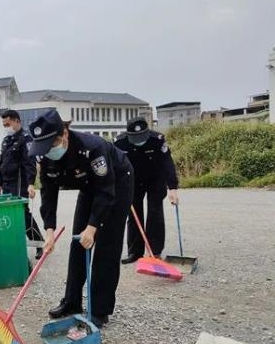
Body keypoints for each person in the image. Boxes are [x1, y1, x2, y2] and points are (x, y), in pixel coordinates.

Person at [28, 109, 133, 328]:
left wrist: (93, 227)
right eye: (43, 148)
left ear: (64, 133)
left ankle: (100, 309)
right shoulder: (45, 157)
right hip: (89, 188)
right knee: (79, 242)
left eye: (51, 145)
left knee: (106, 245)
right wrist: (49, 232)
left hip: (117, 183)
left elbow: (106, 191)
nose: (47, 152)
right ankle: (72, 301)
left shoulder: (93, 148)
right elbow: (48, 194)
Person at [114, 117, 179, 264]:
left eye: (141, 137)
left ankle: (154, 251)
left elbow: (167, 163)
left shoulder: (158, 139)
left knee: (155, 212)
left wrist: (173, 187)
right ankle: (135, 252)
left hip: (155, 179)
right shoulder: (119, 142)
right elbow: (115, 166)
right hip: (133, 181)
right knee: (134, 214)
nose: (139, 141)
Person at [0, 109, 45, 260]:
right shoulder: (6, 140)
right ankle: (13, 245)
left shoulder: (26, 139)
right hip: (6, 184)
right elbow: (2, 163)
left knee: (22, 214)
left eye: (8, 123)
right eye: (4, 124)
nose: (6, 126)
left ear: (17, 121)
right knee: (9, 215)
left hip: (19, 184)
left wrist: (30, 183)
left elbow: (30, 163)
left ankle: (39, 244)